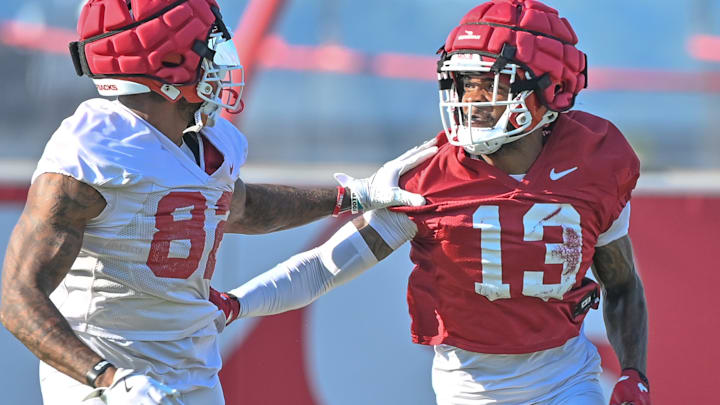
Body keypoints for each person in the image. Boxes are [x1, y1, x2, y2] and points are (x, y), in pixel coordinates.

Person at [211, 1, 651, 404]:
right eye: (461, 83)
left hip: (566, 380)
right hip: (472, 391)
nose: (468, 101)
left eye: (486, 84)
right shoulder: (428, 178)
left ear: (549, 90)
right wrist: (237, 303)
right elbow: (323, 268)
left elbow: (622, 282)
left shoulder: (596, 160)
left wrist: (633, 372)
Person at [0, 0, 437, 404]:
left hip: (194, 373)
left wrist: (351, 196)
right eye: (207, 47)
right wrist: (107, 378)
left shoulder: (205, 144)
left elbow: (242, 207)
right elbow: (17, 297)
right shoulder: (93, 156)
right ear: (169, 62)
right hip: (110, 384)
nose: (220, 59)